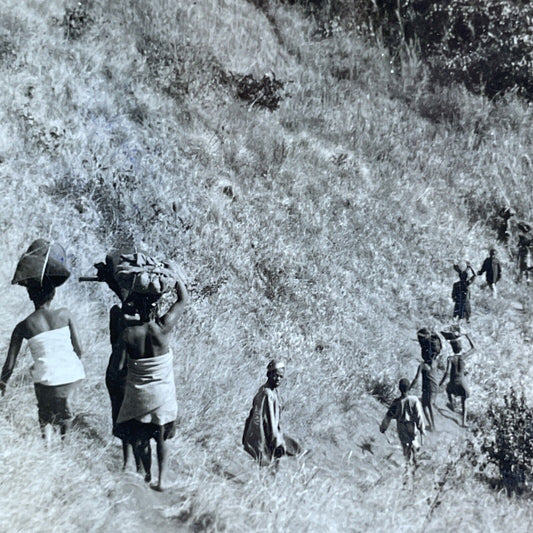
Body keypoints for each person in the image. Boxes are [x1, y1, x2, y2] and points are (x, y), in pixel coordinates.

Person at [115, 277, 188, 491]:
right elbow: (183, 300)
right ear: (155, 307)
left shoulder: (128, 334)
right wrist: (175, 277)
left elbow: (119, 368)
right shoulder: (163, 327)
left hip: (140, 395)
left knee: (141, 437)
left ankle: (146, 474)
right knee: (162, 438)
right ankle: (162, 479)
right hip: (163, 395)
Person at [0, 281, 85, 442]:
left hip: (47, 379)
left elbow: (9, 365)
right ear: (53, 294)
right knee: (66, 414)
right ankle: (64, 447)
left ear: (30, 295)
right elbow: (79, 349)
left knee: (45, 416)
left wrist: (2, 385)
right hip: (72, 376)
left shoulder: (23, 326)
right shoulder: (65, 314)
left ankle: (48, 446)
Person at [242, 360, 302, 467]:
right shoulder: (266, 394)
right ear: (269, 375)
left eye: (280, 376)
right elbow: (268, 421)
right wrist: (276, 440)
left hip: (269, 434)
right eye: (275, 376)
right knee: (270, 464)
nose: (278, 379)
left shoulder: (273, 392)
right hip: (264, 436)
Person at [380, 378, 426, 465]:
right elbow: (419, 416)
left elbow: (389, 416)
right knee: (413, 440)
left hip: (401, 426)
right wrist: (421, 429)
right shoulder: (414, 400)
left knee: (405, 445)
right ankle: (415, 456)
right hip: (411, 425)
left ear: (399, 388)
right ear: (409, 388)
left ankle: (407, 462)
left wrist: (383, 427)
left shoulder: (396, 402)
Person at [439, 331, 474, 428]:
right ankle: (464, 422)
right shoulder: (463, 357)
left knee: (448, 390)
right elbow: (474, 348)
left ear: (452, 348)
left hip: (454, 382)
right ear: (461, 348)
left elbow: (447, 373)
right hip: (462, 382)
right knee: (464, 401)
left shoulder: (450, 359)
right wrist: (467, 336)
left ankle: (452, 405)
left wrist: (441, 383)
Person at [410, 351, 439, 431]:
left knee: (426, 405)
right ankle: (432, 425)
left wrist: (410, 387)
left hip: (427, 388)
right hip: (435, 387)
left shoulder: (422, 365)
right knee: (428, 405)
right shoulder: (434, 363)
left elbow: (416, 378)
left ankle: (432, 425)